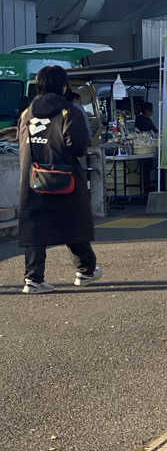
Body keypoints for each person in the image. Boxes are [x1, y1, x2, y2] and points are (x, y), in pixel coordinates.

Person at [17, 65, 102, 293]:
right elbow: (78, 145)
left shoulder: (27, 113)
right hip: (65, 177)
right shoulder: (69, 111)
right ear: (64, 86)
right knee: (72, 222)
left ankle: (33, 279)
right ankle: (85, 271)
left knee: (36, 228)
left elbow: (22, 144)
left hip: (33, 179)